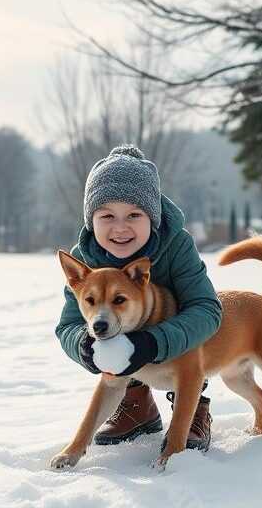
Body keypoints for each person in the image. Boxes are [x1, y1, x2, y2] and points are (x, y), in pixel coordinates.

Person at [55, 144, 222, 450]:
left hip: (181, 345)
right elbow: (67, 325)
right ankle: (137, 405)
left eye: (133, 214)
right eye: (106, 215)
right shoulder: (83, 261)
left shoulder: (177, 245)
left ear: (153, 217)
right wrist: (84, 346)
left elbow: (207, 310)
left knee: (192, 345)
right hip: (124, 350)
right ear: (91, 220)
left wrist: (155, 342)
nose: (120, 227)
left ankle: (193, 406)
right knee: (112, 344)